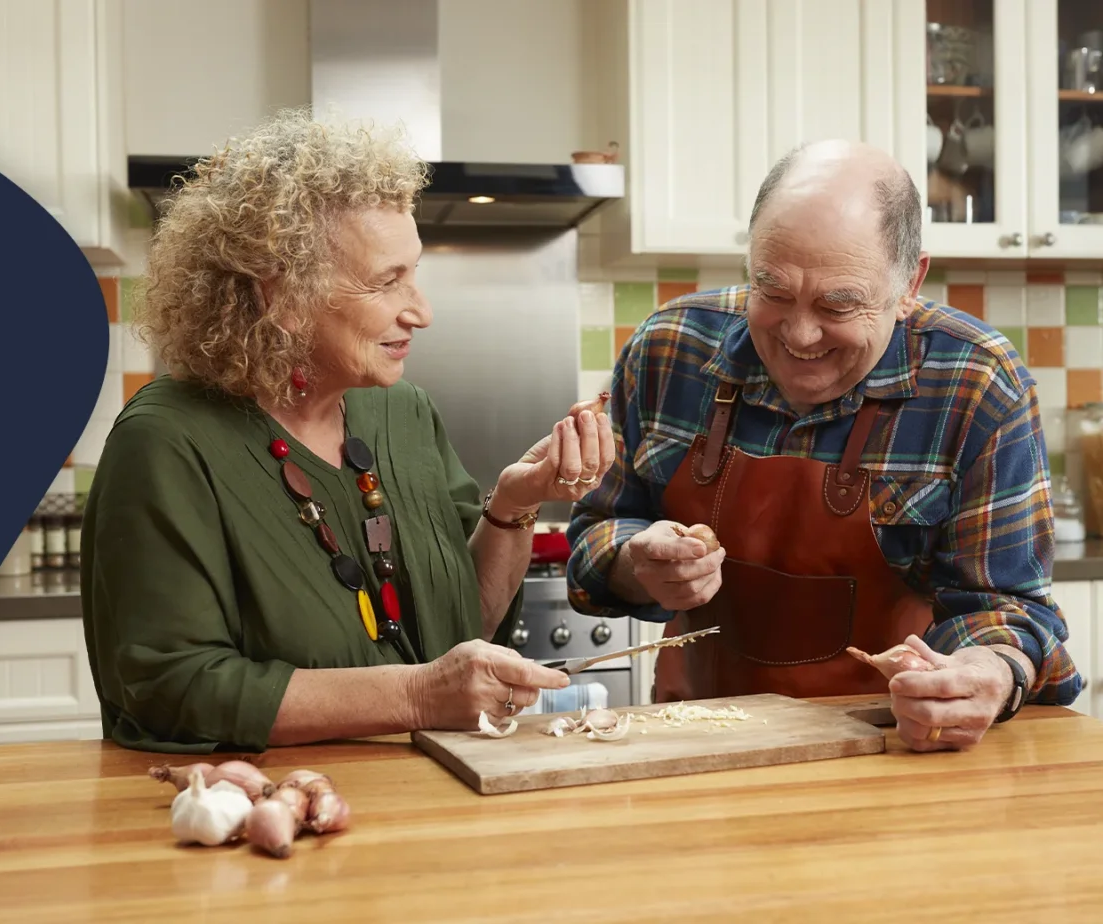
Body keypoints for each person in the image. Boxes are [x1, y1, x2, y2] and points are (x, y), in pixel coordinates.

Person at [78, 110, 607, 754]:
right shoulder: (165, 442)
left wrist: (515, 504)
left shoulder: (404, 412)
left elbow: (464, 625)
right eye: (388, 282)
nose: (421, 311)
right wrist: (416, 696)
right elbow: (168, 687)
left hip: (433, 798)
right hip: (280, 807)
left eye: (415, 274)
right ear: (280, 295)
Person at [565, 139, 1086, 753]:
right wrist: (636, 562)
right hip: (698, 744)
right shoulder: (669, 347)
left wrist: (986, 671)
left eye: (838, 304)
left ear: (910, 282)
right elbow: (597, 533)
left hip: (893, 751)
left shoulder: (975, 382)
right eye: (772, 292)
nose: (800, 334)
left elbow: (1005, 607)